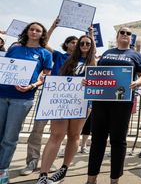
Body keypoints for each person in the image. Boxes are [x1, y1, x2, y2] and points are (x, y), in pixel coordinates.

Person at [84, 27, 141, 184]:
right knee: (97, 140)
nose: (125, 35)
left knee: (118, 141)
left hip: (122, 102)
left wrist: (137, 83)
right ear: (117, 36)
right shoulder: (107, 53)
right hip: (101, 101)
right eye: (122, 32)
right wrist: (87, 80)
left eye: (128, 33)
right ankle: (91, 180)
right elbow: (97, 72)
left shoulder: (136, 55)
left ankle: (114, 181)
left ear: (131, 38)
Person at [21, 18, 80, 176]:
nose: (75, 44)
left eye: (78, 42)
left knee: (58, 134)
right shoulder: (59, 56)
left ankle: (48, 160)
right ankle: (32, 160)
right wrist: (54, 26)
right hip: (49, 98)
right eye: (72, 42)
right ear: (66, 44)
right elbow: (44, 42)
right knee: (38, 130)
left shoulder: (81, 61)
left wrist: (91, 34)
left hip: (67, 102)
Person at [36, 35, 96, 184]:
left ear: (92, 45)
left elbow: (97, 85)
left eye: (88, 43)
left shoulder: (94, 63)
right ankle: (43, 174)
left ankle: (63, 170)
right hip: (61, 101)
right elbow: (55, 76)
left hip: (82, 102)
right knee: (56, 135)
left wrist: (89, 82)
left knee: (74, 135)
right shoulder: (65, 59)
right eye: (81, 43)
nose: (84, 45)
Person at [0, 22, 52, 181]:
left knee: (9, 137)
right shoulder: (14, 48)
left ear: (42, 34)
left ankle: (3, 170)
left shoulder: (45, 53)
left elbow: (46, 77)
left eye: (38, 30)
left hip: (23, 99)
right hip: (2, 94)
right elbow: (5, 67)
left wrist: (32, 85)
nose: (34, 32)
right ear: (27, 31)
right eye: (32, 29)